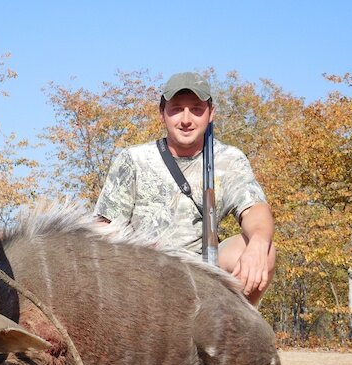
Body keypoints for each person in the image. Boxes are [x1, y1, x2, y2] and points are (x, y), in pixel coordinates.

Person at [94, 72, 275, 306]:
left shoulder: (230, 159)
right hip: (143, 275)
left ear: (211, 113)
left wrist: (259, 244)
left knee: (265, 249)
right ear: (162, 113)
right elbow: (104, 228)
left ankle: (231, 330)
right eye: (177, 109)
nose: (186, 119)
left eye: (197, 109)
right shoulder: (134, 159)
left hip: (203, 272)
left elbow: (254, 209)